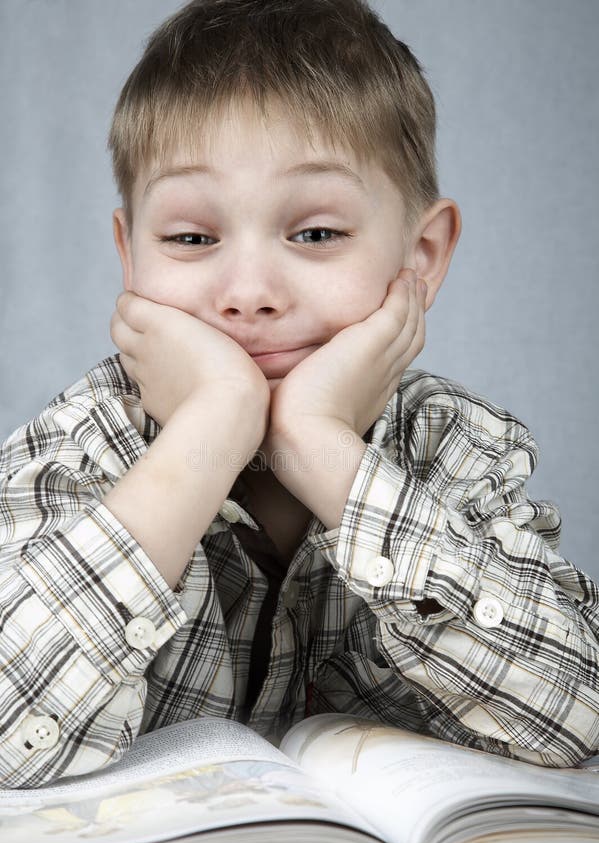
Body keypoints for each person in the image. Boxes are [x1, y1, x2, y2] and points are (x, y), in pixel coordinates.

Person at [1, 0, 597, 790]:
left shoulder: (449, 449)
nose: (248, 294)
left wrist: (319, 446)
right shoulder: (81, 448)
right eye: (191, 238)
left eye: (314, 234)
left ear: (420, 254)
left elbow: (575, 714)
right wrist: (208, 433)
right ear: (130, 254)